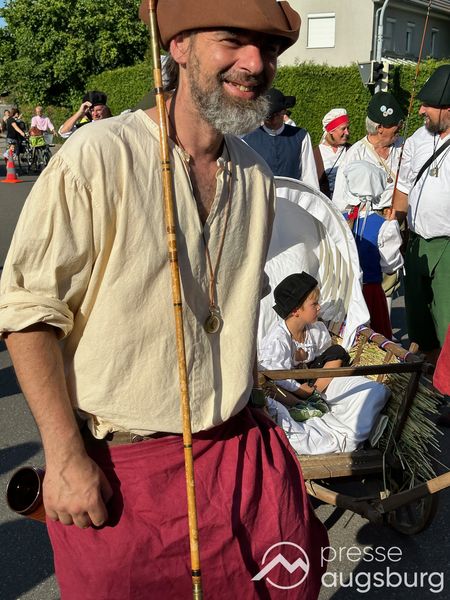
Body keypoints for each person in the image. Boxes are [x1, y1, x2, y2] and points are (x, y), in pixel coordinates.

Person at [0, 1, 328, 598]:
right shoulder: (99, 155)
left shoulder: (256, 177)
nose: (255, 63)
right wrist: (65, 456)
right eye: (232, 40)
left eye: (269, 49)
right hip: (121, 479)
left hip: (235, 459)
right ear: (178, 46)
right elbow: (28, 312)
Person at [258, 273, 388, 455]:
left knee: (342, 357)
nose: (319, 307)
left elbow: (327, 355)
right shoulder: (277, 340)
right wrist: (300, 391)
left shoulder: (316, 330)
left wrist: (312, 385)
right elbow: (276, 375)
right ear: (296, 310)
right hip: (288, 389)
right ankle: (307, 404)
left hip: (315, 381)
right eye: (314, 304)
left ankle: (317, 397)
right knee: (275, 389)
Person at [393, 64, 450, 365]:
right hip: (415, 242)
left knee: (447, 324)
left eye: (428, 105)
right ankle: (426, 379)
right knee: (419, 323)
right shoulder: (417, 139)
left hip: (448, 246)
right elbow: (403, 189)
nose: (420, 110)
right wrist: (393, 228)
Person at [341, 161, 403, 339]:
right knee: (375, 342)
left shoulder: (338, 220)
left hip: (344, 293)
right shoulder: (383, 225)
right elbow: (390, 266)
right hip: (370, 294)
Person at [333, 92, 404, 212]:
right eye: (396, 124)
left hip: (403, 214)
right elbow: (340, 201)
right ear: (380, 128)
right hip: (371, 217)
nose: (400, 127)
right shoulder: (355, 154)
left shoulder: (405, 146)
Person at [243, 87, 320, 187]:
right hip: (262, 194)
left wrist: (312, 195)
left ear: (284, 111)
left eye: (277, 115)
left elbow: (309, 174)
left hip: (293, 195)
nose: (273, 120)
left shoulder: (300, 136)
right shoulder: (249, 140)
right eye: (268, 117)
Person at [314, 108, 351, 198]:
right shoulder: (315, 154)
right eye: (343, 129)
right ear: (331, 130)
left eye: (348, 128)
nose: (347, 132)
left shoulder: (352, 150)